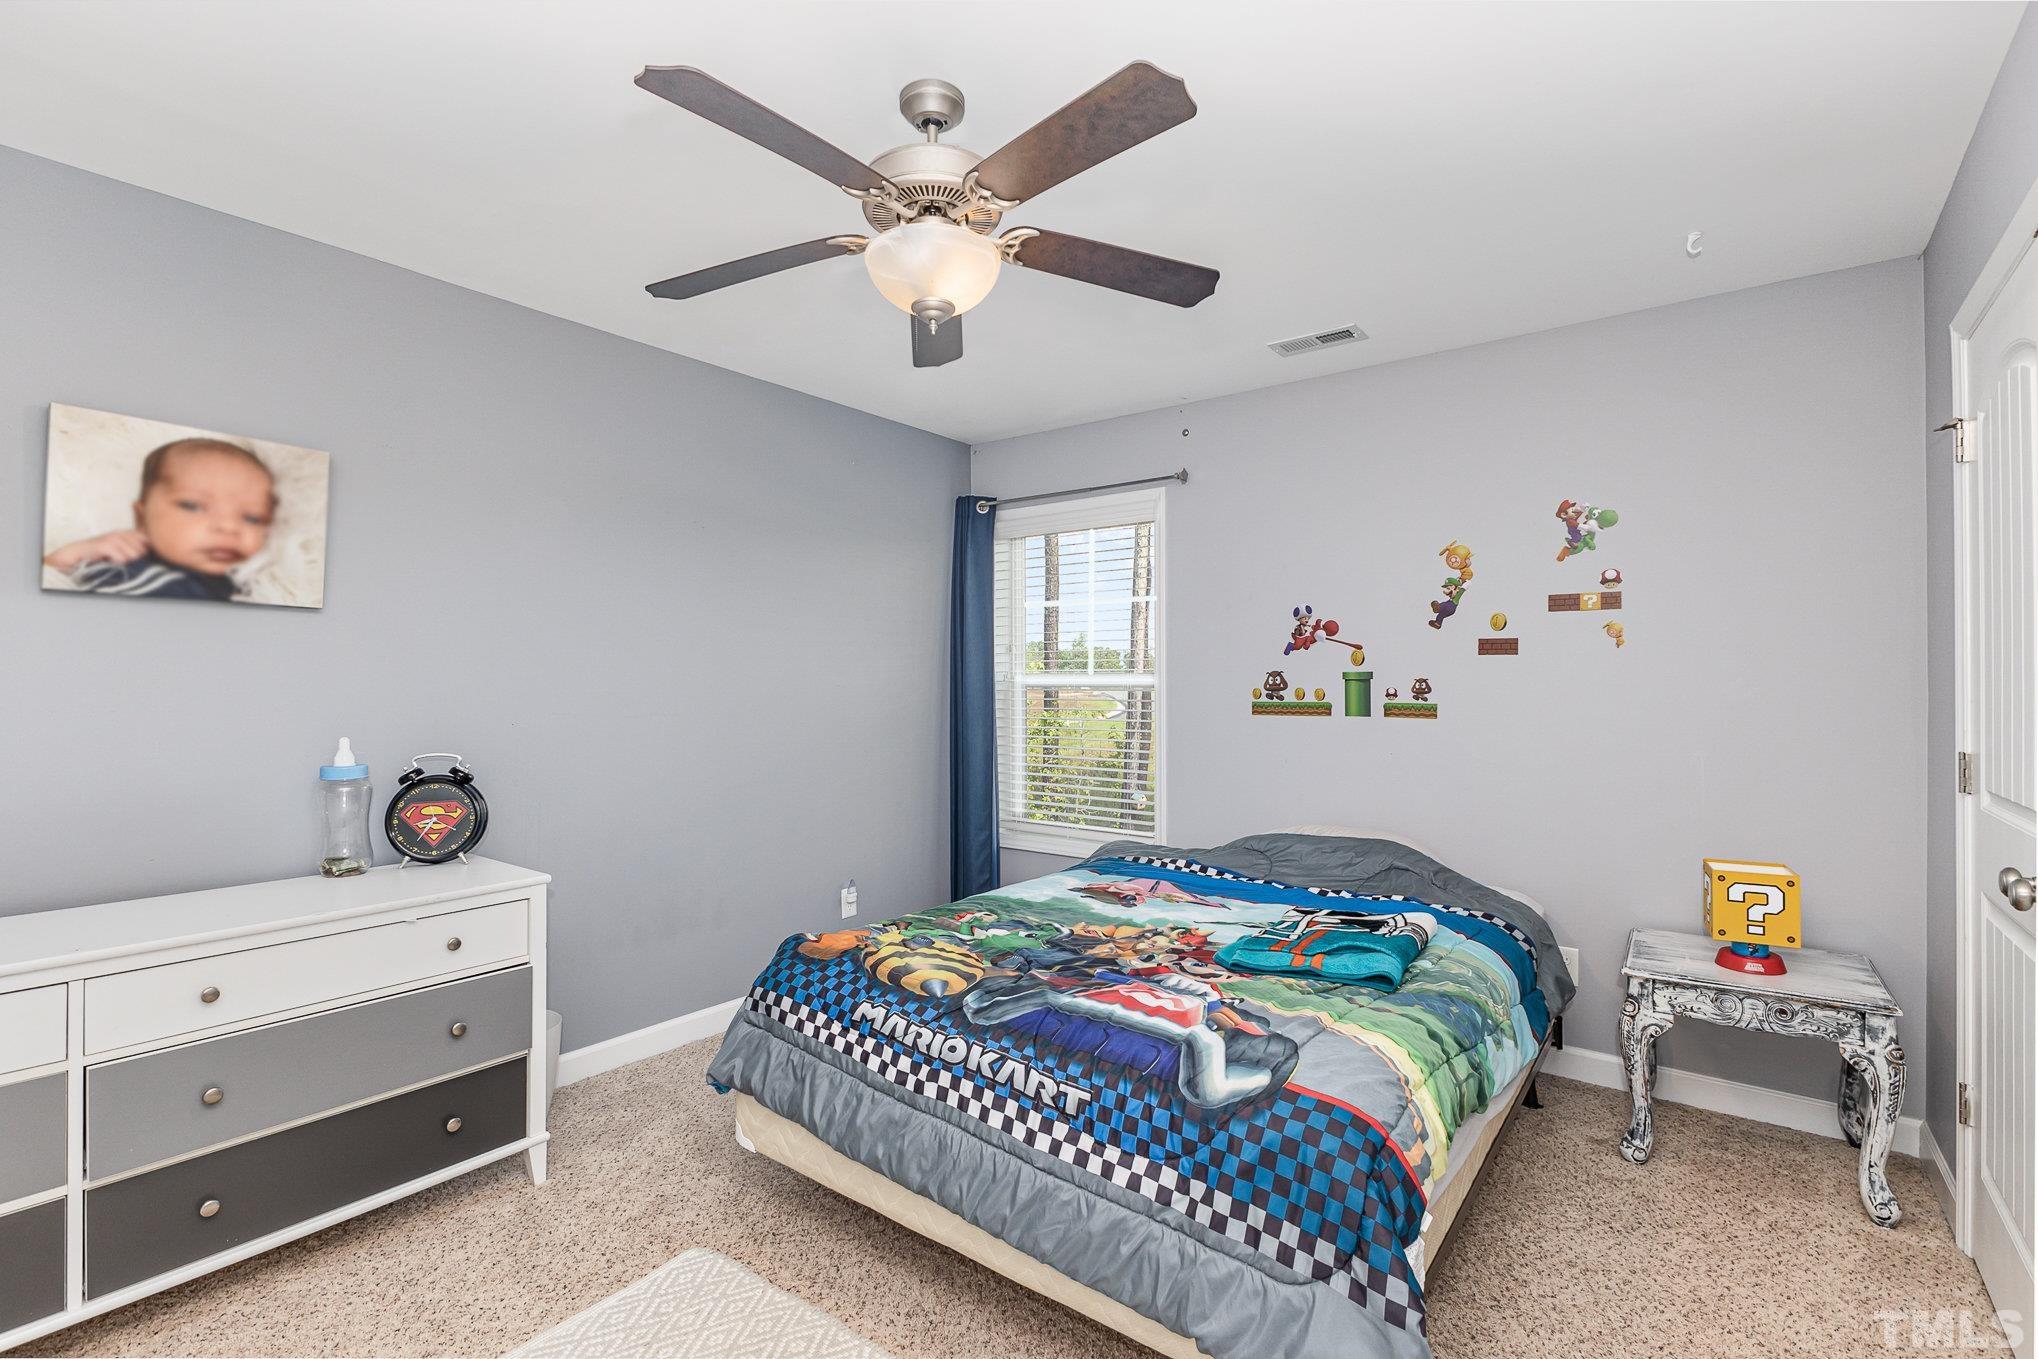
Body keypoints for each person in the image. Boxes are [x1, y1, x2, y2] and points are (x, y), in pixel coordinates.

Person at [43, 438, 276, 600]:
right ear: (142, 518)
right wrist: (72, 554)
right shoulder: (127, 567)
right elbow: (46, 583)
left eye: (252, 518)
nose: (228, 527)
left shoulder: (251, 588)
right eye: (192, 505)